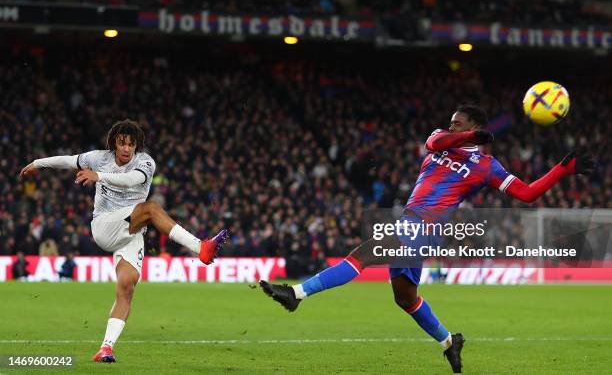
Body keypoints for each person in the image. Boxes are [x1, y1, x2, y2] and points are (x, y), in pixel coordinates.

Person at [260, 105, 595, 373]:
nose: (449, 127)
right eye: (451, 122)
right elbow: (437, 142)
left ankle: (297, 294)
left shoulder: (487, 166)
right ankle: (450, 341)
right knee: (405, 299)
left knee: (365, 252)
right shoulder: (440, 139)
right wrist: (469, 134)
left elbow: (527, 193)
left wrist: (561, 170)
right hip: (410, 222)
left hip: (428, 228)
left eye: (457, 123)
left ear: (472, 125)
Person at [20, 119, 229, 363]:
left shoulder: (146, 162)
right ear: (114, 144)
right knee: (150, 208)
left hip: (131, 232)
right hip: (105, 225)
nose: (126, 149)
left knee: (126, 288)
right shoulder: (99, 157)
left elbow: (131, 180)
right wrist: (37, 164)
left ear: (136, 145)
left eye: (131, 144)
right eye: (121, 143)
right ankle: (200, 248)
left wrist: (98, 176)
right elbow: (68, 159)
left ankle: (106, 348)